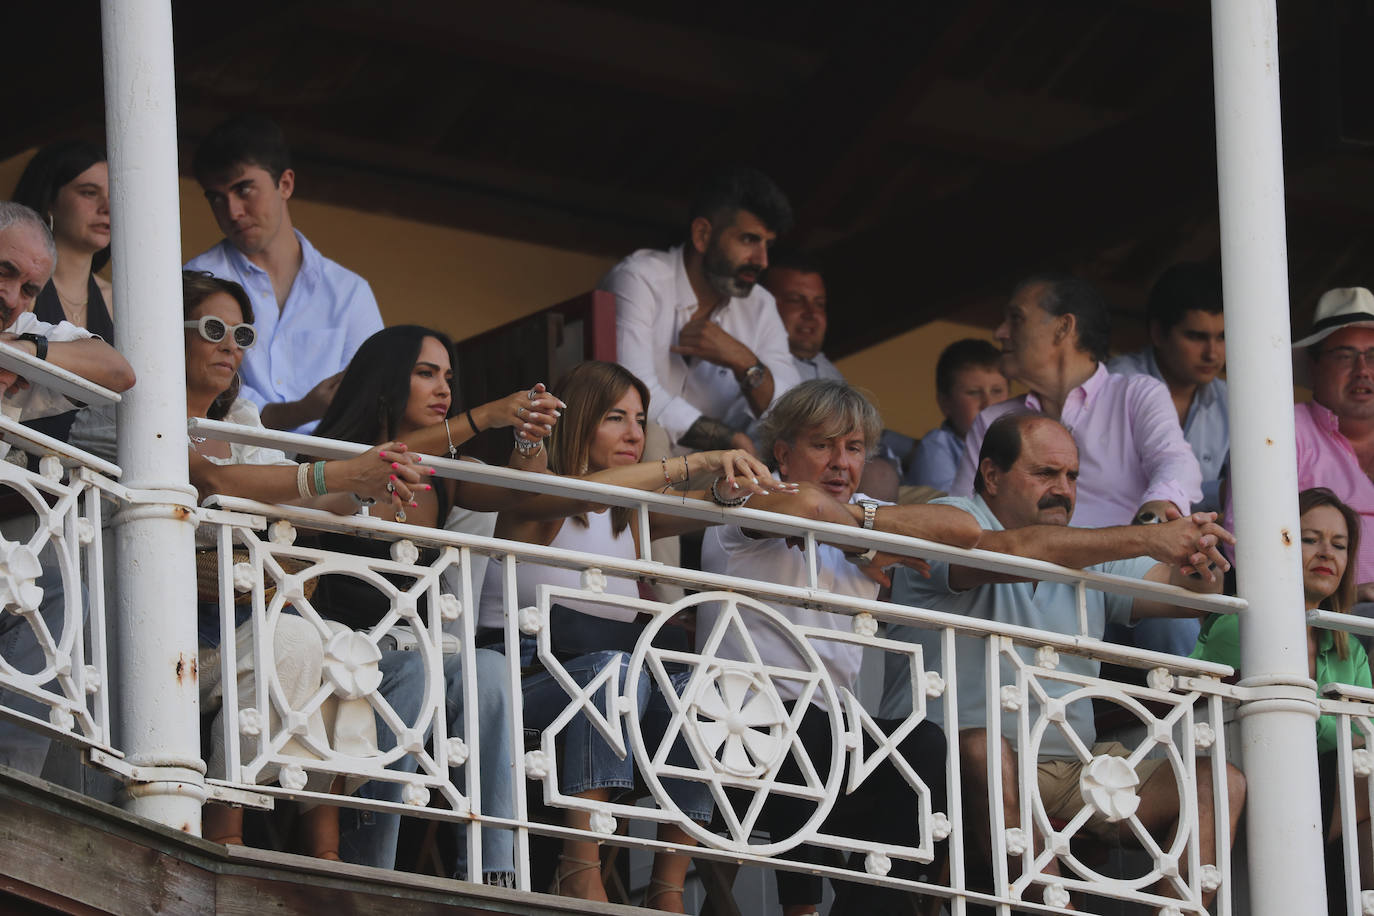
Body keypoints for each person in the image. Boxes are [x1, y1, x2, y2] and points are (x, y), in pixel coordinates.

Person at [882, 412, 1245, 907]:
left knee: (1220, 782)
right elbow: (1013, 551)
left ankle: (1177, 909)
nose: (1063, 489)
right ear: (991, 475)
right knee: (985, 748)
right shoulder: (953, 519)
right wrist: (1146, 537)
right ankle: (1057, 908)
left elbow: (1188, 595)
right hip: (949, 763)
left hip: (1075, 770)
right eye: (1045, 474)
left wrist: (1200, 556)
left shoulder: (1086, 550)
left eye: (1072, 476)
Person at [477, 360, 786, 911]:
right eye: (615, 417)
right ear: (577, 423)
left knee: (700, 692)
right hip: (522, 684)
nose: (634, 433)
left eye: (640, 419)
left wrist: (737, 485)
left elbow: (717, 507)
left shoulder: (627, 515)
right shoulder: (540, 491)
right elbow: (586, 492)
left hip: (613, 690)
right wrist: (695, 461)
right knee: (615, 674)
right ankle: (579, 864)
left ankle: (668, 889)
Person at [700, 378, 984, 916]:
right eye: (821, 444)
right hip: (729, 717)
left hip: (827, 728)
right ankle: (801, 908)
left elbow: (964, 528)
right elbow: (802, 506)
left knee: (921, 747)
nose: (839, 462)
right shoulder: (747, 496)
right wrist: (858, 533)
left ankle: (872, 907)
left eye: (853, 448)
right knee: (808, 729)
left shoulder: (861, 514)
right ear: (782, 453)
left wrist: (858, 526)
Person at [307, 325, 565, 882]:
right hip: (333, 651)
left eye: (449, 377)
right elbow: (381, 461)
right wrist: (485, 417)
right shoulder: (333, 458)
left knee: (490, 669)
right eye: (426, 373)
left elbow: (530, 496)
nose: (443, 387)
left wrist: (527, 438)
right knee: (412, 674)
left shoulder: (446, 477)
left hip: (417, 650)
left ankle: (495, 872)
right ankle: (367, 870)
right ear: (384, 383)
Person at [177, 270, 419, 859]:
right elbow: (215, 480)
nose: (231, 346)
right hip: (173, 626)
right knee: (291, 637)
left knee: (344, 650)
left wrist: (371, 490)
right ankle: (225, 828)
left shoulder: (243, 423)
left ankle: (326, 853)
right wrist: (339, 473)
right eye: (214, 329)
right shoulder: (141, 412)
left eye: (243, 334)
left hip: (239, 612)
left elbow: (301, 498)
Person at [950, 274, 1204, 656]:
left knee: (1173, 609)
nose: (1000, 332)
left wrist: (1152, 522)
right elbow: (961, 525)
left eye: (1015, 319)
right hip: (1030, 590)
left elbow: (1176, 463)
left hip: (1127, 583)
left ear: (1063, 328)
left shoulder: (1136, 393)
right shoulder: (993, 422)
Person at [0, 202, 136, 776]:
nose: (13, 299)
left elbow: (117, 370)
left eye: (30, 289)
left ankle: (12, 786)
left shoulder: (23, 334)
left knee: (48, 585)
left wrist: (23, 353)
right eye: (4, 273)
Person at [1193, 487, 1369, 908]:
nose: (1326, 553)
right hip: (1242, 787)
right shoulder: (1239, 627)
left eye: (1339, 545)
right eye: (1309, 539)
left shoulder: (1352, 648)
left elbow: (1365, 741)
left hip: (1324, 797)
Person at [185, 114, 382, 434]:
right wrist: (303, 410)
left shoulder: (349, 291)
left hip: (331, 469)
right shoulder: (198, 278)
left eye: (244, 189)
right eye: (217, 198)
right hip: (230, 460)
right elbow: (199, 397)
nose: (232, 211)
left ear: (285, 184)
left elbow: (371, 401)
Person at [602, 166, 799, 458]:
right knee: (648, 435)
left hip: (715, 472)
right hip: (633, 463)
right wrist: (730, 439)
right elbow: (631, 397)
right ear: (703, 235)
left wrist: (745, 361)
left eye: (767, 244)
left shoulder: (760, 305)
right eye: (748, 240)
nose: (762, 260)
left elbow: (793, 413)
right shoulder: (640, 278)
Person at [1109, 262, 1228, 512]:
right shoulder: (1115, 384)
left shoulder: (1230, 401)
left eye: (1222, 337)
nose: (1212, 354)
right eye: (1196, 337)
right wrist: (1222, 493)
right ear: (1158, 334)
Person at [1283, 288, 1374, 604]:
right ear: (1313, 365)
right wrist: (1347, 595)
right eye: (1345, 356)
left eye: (1373, 355)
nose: (1363, 369)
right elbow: (1248, 546)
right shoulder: (1283, 431)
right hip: (1322, 617)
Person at [908, 338, 1009, 492]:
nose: (988, 404)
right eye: (973, 393)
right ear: (945, 403)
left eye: (997, 391)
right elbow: (947, 509)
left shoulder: (1016, 445)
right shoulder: (936, 446)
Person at [763, 252, 841, 383]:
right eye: (795, 300)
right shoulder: (750, 368)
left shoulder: (833, 375)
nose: (811, 313)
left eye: (819, 304)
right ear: (763, 303)